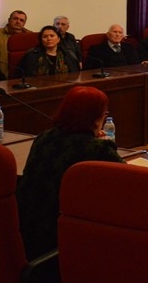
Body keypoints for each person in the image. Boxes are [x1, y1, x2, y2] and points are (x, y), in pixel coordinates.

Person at [16, 86, 123, 259]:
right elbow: (128, 180)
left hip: (27, 233)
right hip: (62, 241)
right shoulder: (98, 148)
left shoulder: (43, 137)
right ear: (96, 119)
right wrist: (102, 142)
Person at [0, 9, 31, 75]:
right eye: (15, 18)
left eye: (21, 20)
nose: (18, 22)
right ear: (9, 20)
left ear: (24, 23)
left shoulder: (30, 37)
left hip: (22, 76)